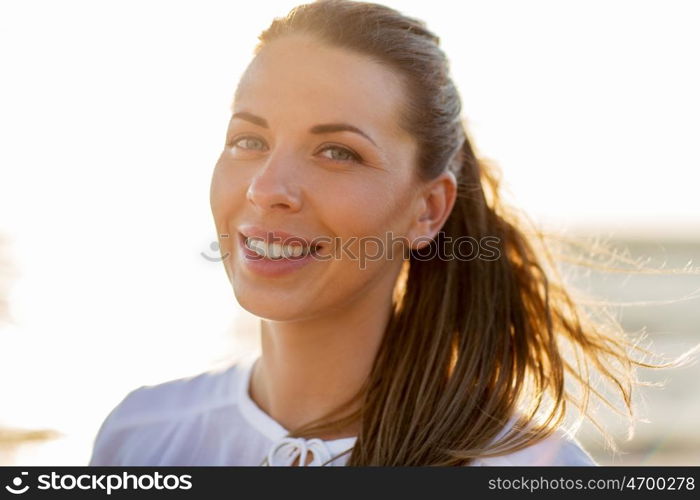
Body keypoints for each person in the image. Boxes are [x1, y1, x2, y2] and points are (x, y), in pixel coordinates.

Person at [88, 0, 674, 466]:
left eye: (337, 152)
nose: (267, 187)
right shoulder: (138, 437)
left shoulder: (530, 469)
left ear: (428, 210)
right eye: (249, 140)